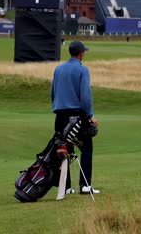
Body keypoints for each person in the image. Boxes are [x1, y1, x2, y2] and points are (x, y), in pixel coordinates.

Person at [51, 40, 100, 195]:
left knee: (65, 148)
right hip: (76, 117)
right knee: (86, 148)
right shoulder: (82, 70)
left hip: (59, 116)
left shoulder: (58, 69)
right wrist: (90, 115)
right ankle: (85, 186)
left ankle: (66, 187)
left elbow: (53, 94)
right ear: (81, 54)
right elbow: (85, 97)